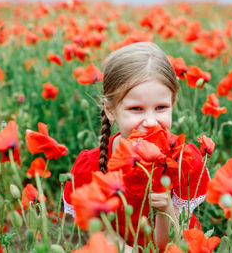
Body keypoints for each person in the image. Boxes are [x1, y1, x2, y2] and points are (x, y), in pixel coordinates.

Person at [63, 42, 210, 251]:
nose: (150, 121)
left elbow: (177, 242)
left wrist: (166, 207)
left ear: (173, 103)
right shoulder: (93, 168)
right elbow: (105, 236)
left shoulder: (182, 161)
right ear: (111, 111)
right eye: (136, 109)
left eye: (161, 107)